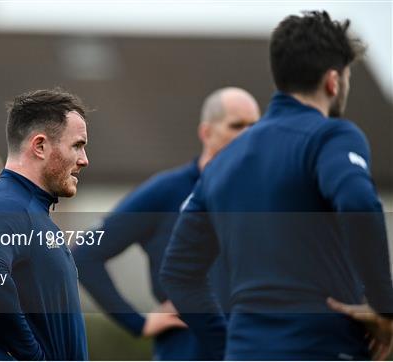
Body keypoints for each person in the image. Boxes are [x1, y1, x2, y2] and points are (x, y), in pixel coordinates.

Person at [160, 11, 393, 360]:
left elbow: (177, 272)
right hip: (323, 349)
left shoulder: (223, 161)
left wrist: (226, 345)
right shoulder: (332, 135)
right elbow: (359, 203)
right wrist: (383, 308)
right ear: (333, 81)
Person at [73, 87, 260, 360]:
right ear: (206, 132)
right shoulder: (167, 190)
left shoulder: (262, 193)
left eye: (255, 126)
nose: (248, 135)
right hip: (185, 349)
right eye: (237, 126)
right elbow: (85, 255)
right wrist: (138, 322)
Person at [0, 89, 89, 360]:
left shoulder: (30, 209)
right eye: (77, 145)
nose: (84, 160)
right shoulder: (5, 206)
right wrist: (32, 355)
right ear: (40, 146)